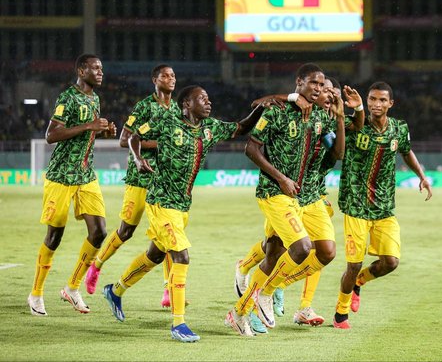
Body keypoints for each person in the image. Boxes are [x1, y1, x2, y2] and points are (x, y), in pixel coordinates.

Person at [102, 85, 269, 343]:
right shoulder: (167, 121)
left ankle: (115, 290)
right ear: (187, 104)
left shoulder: (208, 128)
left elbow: (240, 127)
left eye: (208, 97)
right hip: (161, 202)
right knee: (181, 256)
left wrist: (261, 108)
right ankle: (178, 324)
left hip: (181, 207)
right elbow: (134, 136)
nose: (208, 101)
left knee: (155, 255)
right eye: (202, 98)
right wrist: (137, 159)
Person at [233, 77, 364, 334]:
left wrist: (353, 111)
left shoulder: (325, 121)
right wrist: (286, 97)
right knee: (275, 251)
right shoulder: (288, 111)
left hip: (311, 194)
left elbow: (342, 147)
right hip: (282, 193)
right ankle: (246, 298)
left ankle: (267, 292)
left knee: (318, 251)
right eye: (323, 89)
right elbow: (254, 135)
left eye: (331, 93)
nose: (327, 95)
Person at [333, 81, 432, 329]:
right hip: (355, 204)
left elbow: (407, 151)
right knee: (353, 264)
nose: (376, 105)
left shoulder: (399, 128)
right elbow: (342, 128)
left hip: (384, 205)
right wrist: (355, 110)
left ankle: (359, 282)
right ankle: (340, 313)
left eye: (381, 100)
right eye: (372, 99)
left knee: (391, 262)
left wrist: (421, 175)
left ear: (391, 103)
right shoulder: (357, 124)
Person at [27, 54, 116, 316]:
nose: (100, 72)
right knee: (54, 236)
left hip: (86, 174)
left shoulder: (94, 98)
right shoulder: (67, 97)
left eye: (102, 67)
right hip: (61, 176)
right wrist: (89, 125)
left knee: (99, 231)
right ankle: (36, 294)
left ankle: (72, 288)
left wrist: (101, 132)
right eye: (95, 68)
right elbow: (51, 135)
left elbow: (83, 134)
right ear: (81, 70)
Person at [85, 64, 178, 310]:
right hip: (140, 177)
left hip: (163, 180)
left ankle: (169, 289)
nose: (171, 79)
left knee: (168, 233)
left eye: (173, 75)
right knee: (126, 231)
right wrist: (159, 145)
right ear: (154, 80)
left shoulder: (177, 108)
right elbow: (124, 140)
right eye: (165, 75)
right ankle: (97, 265)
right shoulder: (144, 107)